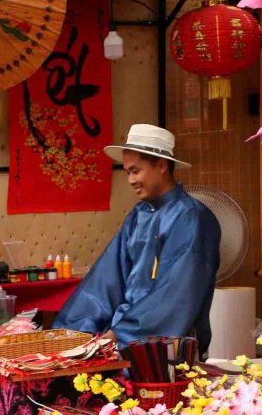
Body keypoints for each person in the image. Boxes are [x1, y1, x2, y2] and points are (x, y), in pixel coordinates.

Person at [54, 124, 221, 351]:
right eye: (128, 173)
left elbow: (175, 294)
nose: (131, 180)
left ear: (161, 166)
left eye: (135, 171)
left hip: (167, 343)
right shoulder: (139, 215)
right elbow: (106, 279)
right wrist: (75, 330)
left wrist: (119, 335)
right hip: (123, 333)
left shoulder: (192, 218)